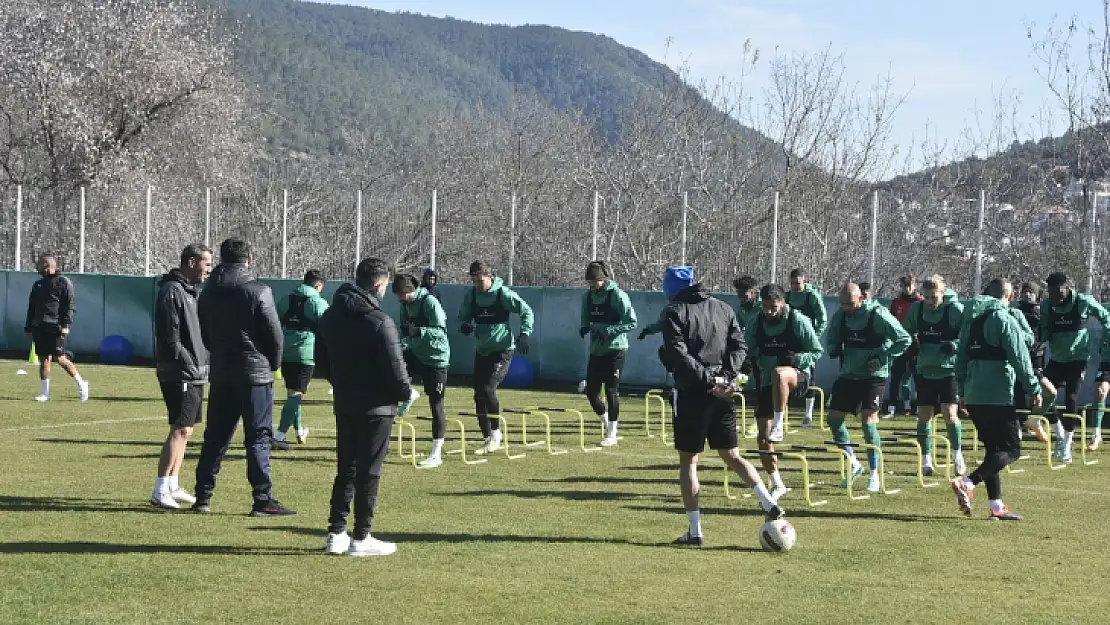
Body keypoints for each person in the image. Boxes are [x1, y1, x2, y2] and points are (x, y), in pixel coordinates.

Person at [660, 266, 784, 547]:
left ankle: (695, 531)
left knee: (689, 462)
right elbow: (740, 347)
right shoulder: (724, 308)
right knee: (732, 454)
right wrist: (726, 377)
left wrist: (709, 379)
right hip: (724, 392)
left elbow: (678, 353)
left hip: (693, 392)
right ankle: (767, 502)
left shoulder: (673, 311)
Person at [316, 257, 415, 556]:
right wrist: (406, 393)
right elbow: (396, 370)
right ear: (379, 284)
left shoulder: (331, 316)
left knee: (346, 468)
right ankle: (361, 536)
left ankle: (336, 533)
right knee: (369, 471)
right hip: (377, 407)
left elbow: (323, 361)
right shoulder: (380, 322)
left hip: (345, 402)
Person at [193, 237, 294, 517]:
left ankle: (203, 495)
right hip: (255, 375)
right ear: (249, 258)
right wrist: (273, 364)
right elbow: (275, 335)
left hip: (223, 372)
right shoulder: (259, 291)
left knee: (215, 437)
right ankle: (262, 498)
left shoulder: (208, 292)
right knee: (259, 437)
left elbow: (206, 334)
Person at [951, 279, 1042, 520]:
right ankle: (969, 483)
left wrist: (961, 391)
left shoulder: (970, 322)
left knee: (993, 450)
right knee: (1012, 450)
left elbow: (960, 359)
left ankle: (996, 506)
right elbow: (1021, 357)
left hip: (973, 393)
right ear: (1009, 297)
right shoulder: (1004, 320)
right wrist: (1033, 387)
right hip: (998, 393)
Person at [825, 282, 912, 493]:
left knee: (868, 422)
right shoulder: (841, 316)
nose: (846, 307)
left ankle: (874, 473)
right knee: (834, 419)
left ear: (861, 299)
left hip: (874, 377)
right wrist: (833, 348)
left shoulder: (878, 315)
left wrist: (883, 357)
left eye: (851, 303)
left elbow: (904, 339)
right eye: (843, 303)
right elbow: (831, 338)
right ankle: (854, 463)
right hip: (849, 375)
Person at [743, 284, 822, 499]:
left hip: (797, 378)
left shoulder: (798, 320)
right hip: (768, 383)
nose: (770, 311)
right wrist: (746, 362)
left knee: (780, 373)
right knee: (762, 438)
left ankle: (779, 423)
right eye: (766, 307)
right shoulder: (755, 323)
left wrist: (798, 359)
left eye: (774, 307)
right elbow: (745, 347)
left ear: (783, 303)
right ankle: (777, 482)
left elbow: (816, 351)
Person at [151, 244, 213, 509]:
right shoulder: (172, 291)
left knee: (187, 430)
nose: (209, 270)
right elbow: (170, 336)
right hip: (181, 372)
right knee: (179, 429)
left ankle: (173, 484)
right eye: (206, 264)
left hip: (196, 371)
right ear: (191, 262)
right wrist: (186, 363)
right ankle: (160, 488)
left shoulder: (191, 291)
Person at [458, 261, 534, 454]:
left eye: (480, 280)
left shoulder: (503, 294)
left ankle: (496, 433)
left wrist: (524, 334)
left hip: (502, 350)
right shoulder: (472, 295)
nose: (477, 284)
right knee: (478, 394)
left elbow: (526, 311)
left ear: (489, 276)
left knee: (488, 388)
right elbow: (463, 317)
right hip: (482, 350)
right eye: (473, 280)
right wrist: (465, 325)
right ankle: (486, 437)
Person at [1040, 271, 1110, 462]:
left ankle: (1067, 446)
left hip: (1077, 359)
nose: (1054, 298)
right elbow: (1045, 330)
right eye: (1051, 293)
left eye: (1057, 293)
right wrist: (1041, 343)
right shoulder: (1046, 305)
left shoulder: (1082, 302)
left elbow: (1106, 317)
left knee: (1071, 397)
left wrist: (1106, 339)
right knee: (1041, 393)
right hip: (1057, 358)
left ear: (1066, 288)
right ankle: (1060, 434)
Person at [901, 275, 966, 476]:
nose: (930, 302)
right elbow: (906, 331)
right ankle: (926, 460)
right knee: (924, 415)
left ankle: (957, 455)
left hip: (948, 370)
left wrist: (954, 345)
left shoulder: (954, 310)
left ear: (942, 293)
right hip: (924, 369)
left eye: (934, 297)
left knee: (950, 413)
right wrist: (911, 343)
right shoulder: (917, 309)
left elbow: (968, 332)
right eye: (926, 297)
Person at [393, 273, 451, 467]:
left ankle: (436, 454)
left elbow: (441, 331)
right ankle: (409, 392)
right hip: (416, 353)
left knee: (436, 405)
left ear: (410, 290)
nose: (399, 299)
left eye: (401, 294)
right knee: (391, 366)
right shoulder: (404, 306)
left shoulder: (430, 302)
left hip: (436, 358)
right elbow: (405, 331)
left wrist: (419, 331)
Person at [579, 261, 637, 446]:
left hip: (615, 350)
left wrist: (610, 330)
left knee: (611, 390)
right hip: (596, 350)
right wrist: (585, 328)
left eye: (595, 282)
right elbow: (585, 319)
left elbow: (632, 322)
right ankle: (606, 423)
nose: (592, 286)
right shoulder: (586, 298)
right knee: (592, 392)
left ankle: (612, 432)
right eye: (589, 283)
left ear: (603, 280)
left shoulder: (618, 296)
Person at [274, 269, 329, 448]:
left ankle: (299, 431)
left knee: (293, 393)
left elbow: (274, 321)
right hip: (305, 353)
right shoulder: (317, 302)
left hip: (286, 352)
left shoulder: (287, 299)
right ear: (318, 285)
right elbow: (328, 326)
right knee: (296, 395)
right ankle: (279, 436)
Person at [24, 253, 89, 402]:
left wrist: (66, 324)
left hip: (56, 326)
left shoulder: (63, 282)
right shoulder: (38, 285)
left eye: (41, 265)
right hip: (40, 326)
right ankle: (45, 393)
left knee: (60, 358)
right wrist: (28, 328)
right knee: (44, 359)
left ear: (48, 266)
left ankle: (82, 384)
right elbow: (31, 307)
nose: (38, 267)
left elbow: (70, 305)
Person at [786, 268, 828, 426]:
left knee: (811, 376)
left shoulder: (812, 296)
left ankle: (808, 414)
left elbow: (822, 320)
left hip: (808, 343)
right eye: (792, 283)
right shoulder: (788, 296)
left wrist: (813, 340)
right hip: (791, 343)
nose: (795, 286)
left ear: (805, 280)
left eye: (797, 283)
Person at [1011, 282, 1052, 442]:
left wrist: (1040, 345)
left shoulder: (1042, 311)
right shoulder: (1016, 310)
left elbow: (1046, 331)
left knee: (1040, 388)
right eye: (1025, 292)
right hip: (1020, 353)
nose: (1027, 295)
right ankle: (1021, 422)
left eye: (1031, 292)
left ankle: (1035, 419)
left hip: (1037, 354)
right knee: (1018, 388)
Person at [887, 272, 924, 416]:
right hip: (900, 344)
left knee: (918, 377)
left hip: (916, 344)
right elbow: (891, 322)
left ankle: (919, 408)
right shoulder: (896, 302)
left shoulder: (920, 302)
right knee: (896, 376)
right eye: (904, 286)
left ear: (914, 286)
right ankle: (892, 408)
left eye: (909, 286)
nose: (907, 289)